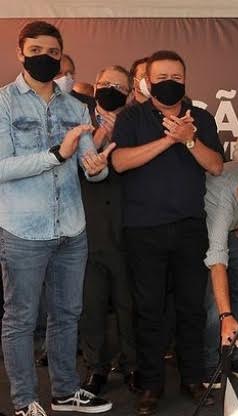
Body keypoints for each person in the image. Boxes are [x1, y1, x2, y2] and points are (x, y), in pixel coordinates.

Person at [0, 21, 114, 416]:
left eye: (52, 52)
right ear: (20, 52)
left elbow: (88, 166)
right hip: (23, 230)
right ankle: (24, 401)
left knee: (67, 314)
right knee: (21, 319)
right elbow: (2, 166)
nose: (45, 58)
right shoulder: (4, 102)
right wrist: (56, 155)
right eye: (36, 50)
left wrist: (97, 167)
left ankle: (64, 392)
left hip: (71, 228)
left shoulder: (76, 107)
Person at [110, 50, 224, 416]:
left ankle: (193, 377)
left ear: (185, 79)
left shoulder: (201, 118)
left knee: (191, 307)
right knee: (148, 310)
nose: (169, 83)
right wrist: (168, 140)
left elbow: (216, 166)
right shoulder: (131, 117)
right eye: (161, 77)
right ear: (147, 81)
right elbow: (119, 162)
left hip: (190, 227)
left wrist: (189, 139)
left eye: (176, 77)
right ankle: (150, 384)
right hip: (143, 229)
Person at [79, 65, 138, 396]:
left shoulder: (136, 124)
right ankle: (96, 368)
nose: (109, 89)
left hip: (128, 230)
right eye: (104, 83)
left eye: (118, 85)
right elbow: (65, 169)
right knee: (92, 307)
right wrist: (97, 138)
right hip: (88, 232)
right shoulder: (78, 122)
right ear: (95, 87)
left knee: (129, 307)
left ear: (128, 93)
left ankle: (132, 366)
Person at [202, 161, 238, 388]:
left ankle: (234, 355)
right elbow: (217, 262)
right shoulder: (223, 203)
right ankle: (212, 364)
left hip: (231, 226)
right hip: (206, 229)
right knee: (216, 301)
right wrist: (226, 315)